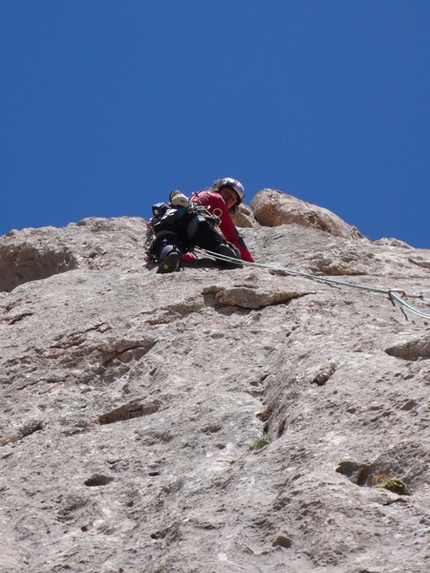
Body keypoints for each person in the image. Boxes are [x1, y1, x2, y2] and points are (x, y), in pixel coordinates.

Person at [148, 177, 254, 273]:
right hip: (193, 223)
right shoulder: (216, 197)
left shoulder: (194, 197)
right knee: (208, 237)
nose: (229, 199)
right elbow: (233, 236)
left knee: (168, 244)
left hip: (165, 225)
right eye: (228, 193)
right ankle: (222, 251)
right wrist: (250, 263)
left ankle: (170, 253)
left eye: (233, 199)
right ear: (219, 189)